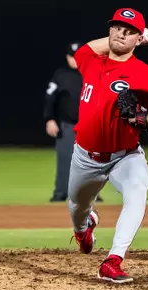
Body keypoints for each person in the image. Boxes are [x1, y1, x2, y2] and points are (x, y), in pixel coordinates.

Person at [68, 8, 148, 283]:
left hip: (125, 156)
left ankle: (113, 260)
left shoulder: (146, 74)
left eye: (129, 30)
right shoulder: (90, 61)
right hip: (85, 157)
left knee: (137, 191)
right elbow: (87, 48)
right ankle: (84, 229)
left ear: (138, 40)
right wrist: (138, 36)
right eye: (117, 27)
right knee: (77, 207)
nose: (121, 32)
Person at [43, 42, 104, 203]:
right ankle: (60, 192)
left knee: (92, 161)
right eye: (72, 57)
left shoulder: (93, 73)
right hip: (67, 125)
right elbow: (50, 98)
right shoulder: (60, 75)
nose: (75, 60)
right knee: (65, 160)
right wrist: (49, 119)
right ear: (67, 57)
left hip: (89, 126)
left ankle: (91, 193)